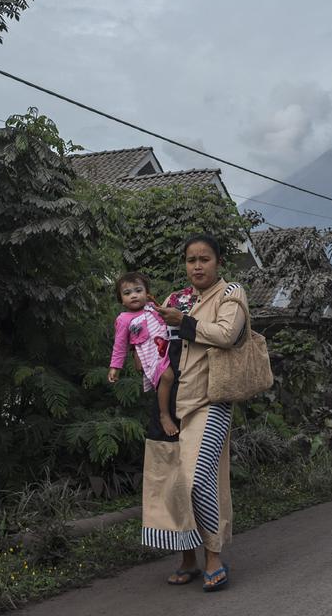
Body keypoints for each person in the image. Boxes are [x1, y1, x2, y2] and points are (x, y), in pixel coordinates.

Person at [142, 234, 246, 592]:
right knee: (171, 482)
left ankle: (213, 556)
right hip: (169, 400)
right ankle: (187, 558)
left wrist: (183, 321)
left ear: (218, 261)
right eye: (191, 260)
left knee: (198, 477)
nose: (197, 266)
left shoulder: (231, 294)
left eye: (205, 259)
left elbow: (227, 334)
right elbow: (154, 340)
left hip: (210, 399)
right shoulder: (175, 298)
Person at [108, 272, 179, 437]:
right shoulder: (124, 319)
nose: (133, 295)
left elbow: (166, 321)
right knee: (167, 377)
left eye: (138, 291)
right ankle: (164, 415)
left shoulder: (153, 307)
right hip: (150, 353)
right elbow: (119, 345)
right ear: (121, 298)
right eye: (127, 293)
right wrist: (115, 367)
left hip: (167, 345)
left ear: (146, 293)